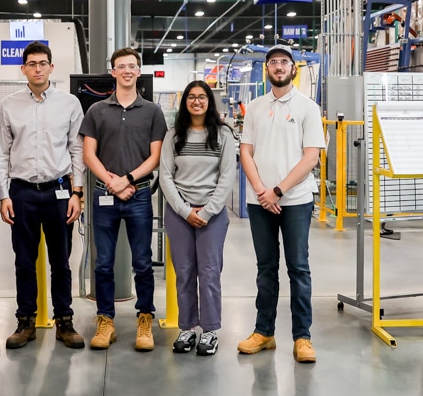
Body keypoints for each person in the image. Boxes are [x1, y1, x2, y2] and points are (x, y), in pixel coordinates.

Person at [237, 45, 325, 362]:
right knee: (266, 269)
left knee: (298, 268)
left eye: (284, 62)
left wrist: (278, 190)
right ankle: (264, 332)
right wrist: (262, 191)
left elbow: (311, 157)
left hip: (296, 201)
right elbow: (245, 151)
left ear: (293, 69)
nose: (278, 66)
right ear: (267, 69)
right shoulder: (255, 107)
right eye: (273, 62)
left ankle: (303, 338)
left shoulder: (308, 108)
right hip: (260, 201)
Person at [0, 42, 86, 349]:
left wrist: (77, 192)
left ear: (51, 67)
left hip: (59, 191)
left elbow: (77, 150)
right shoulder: (8, 105)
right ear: (23, 69)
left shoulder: (69, 103)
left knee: (61, 262)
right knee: (24, 261)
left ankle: (65, 321)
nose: (37, 69)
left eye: (42, 63)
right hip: (21, 193)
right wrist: (4, 196)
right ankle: (26, 322)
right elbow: (2, 153)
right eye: (32, 64)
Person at [80, 47, 167, 351]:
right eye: (121, 66)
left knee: (142, 262)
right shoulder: (97, 110)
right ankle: (105, 319)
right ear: (113, 72)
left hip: (139, 194)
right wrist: (112, 182)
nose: (127, 71)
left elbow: (155, 157)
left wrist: (127, 180)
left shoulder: (153, 111)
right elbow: (88, 154)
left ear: (138, 72)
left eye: (132, 66)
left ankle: (145, 318)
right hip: (104, 194)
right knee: (103, 263)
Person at [159, 81, 237, 356]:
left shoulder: (223, 135)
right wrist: (184, 211)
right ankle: (187, 328)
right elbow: (165, 175)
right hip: (179, 213)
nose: (196, 101)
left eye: (202, 97)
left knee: (209, 272)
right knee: (184, 272)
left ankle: (210, 330)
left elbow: (227, 177)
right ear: (185, 103)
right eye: (191, 97)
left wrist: (206, 211)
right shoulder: (173, 136)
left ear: (209, 101)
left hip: (211, 215)